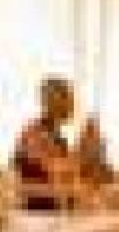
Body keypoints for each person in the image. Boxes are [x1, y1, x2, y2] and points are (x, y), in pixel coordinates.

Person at [13, 76, 79, 212]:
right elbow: (44, 172)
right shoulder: (31, 134)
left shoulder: (60, 140)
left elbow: (68, 177)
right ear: (49, 102)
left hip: (58, 209)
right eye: (65, 97)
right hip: (36, 211)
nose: (71, 105)